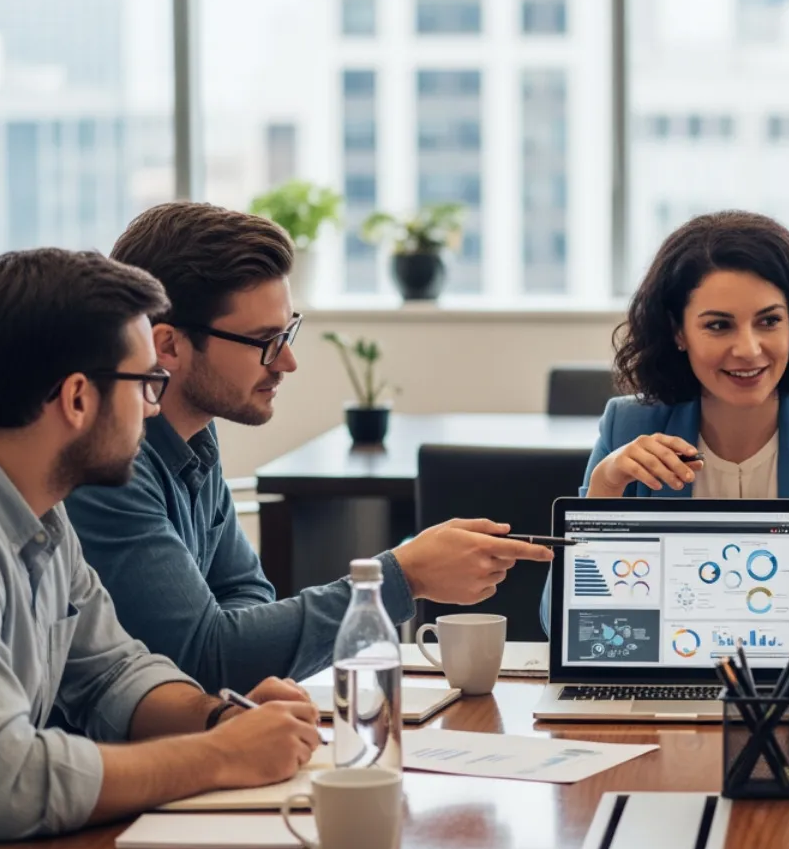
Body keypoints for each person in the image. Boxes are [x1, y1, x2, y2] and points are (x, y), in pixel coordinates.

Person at [65, 202, 554, 694]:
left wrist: (233, 649)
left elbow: (245, 594)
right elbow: (205, 657)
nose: (288, 362)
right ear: (167, 346)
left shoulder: (194, 436)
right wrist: (399, 578)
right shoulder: (108, 467)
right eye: (265, 341)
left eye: (287, 333)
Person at [0, 249, 323, 849]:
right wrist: (217, 756)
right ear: (76, 399)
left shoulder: (37, 506)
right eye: (146, 384)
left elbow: (113, 670)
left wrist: (221, 716)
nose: (155, 406)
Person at [539, 210, 789, 661]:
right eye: (718, 325)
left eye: (769, 321)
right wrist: (604, 491)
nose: (748, 349)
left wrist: (668, 617)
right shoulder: (628, 427)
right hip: (658, 707)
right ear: (678, 332)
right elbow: (565, 623)